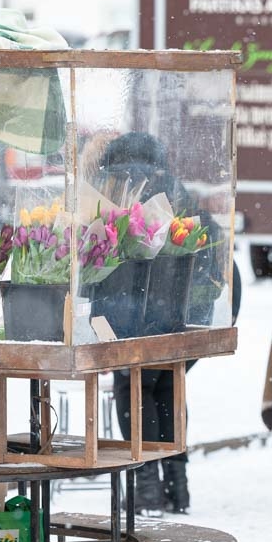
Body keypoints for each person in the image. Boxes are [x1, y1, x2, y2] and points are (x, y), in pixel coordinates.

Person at [93, 132, 227, 516]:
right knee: (169, 385)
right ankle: (176, 483)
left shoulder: (112, 191)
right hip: (181, 317)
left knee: (134, 387)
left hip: (129, 318)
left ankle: (146, 481)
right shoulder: (177, 191)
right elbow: (209, 250)